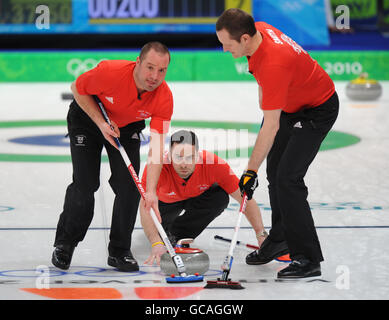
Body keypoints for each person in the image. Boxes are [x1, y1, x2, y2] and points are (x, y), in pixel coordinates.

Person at [215, 9, 339, 279]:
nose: (224, 50)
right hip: (291, 105)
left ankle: (307, 258)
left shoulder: (274, 63)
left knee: (288, 179)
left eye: (227, 45)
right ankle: (281, 236)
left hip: (317, 109)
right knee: (275, 173)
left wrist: (249, 171)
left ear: (245, 39)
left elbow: (270, 125)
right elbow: (268, 103)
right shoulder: (258, 29)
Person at [52, 42, 173, 272]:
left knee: (129, 187)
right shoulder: (110, 72)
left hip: (126, 128)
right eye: (150, 67)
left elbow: (157, 147)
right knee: (86, 183)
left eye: (161, 70)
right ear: (138, 62)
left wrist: (151, 191)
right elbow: (77, 89)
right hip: (88, 120)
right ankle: (65, 244)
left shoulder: (164, 97)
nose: (154, 76)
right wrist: (100, 123)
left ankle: (119, 251)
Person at [140, 130, 267, 266]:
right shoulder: (156, 168)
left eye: (190, 157)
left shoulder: (215, 165)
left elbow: (245, 199)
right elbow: (145, 206)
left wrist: (261, 235)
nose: (183, 164)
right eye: (178, 157)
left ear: (198, 156)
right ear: (170, 155)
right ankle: (164, 233)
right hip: (165, 204)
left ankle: (177, 234)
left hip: (195, 197)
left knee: (220, 197)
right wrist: (156, 242)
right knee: (159, 232)